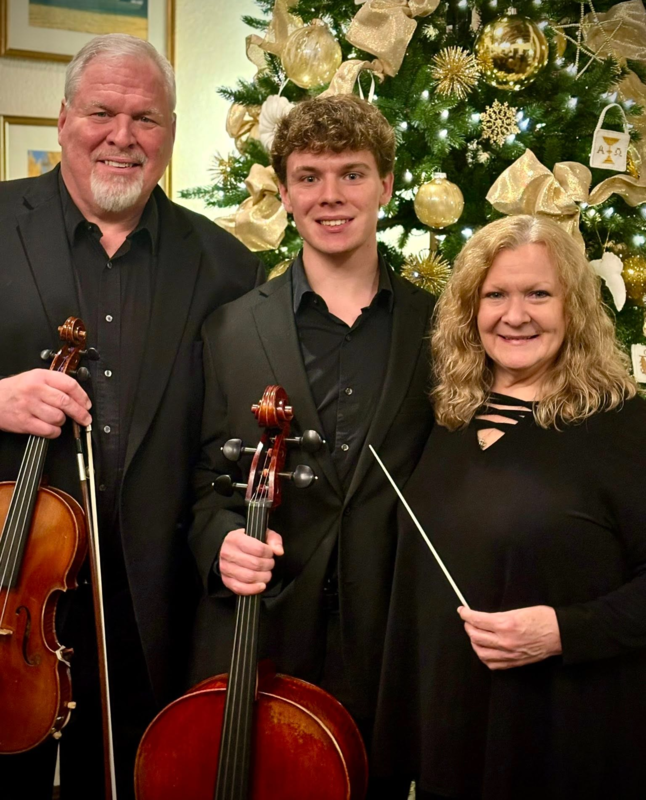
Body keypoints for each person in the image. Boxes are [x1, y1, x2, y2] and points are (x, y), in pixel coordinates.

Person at [0, 33, 263, 800]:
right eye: (101, 113)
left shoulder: (227, 267)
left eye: (145, 118)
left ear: (170, 134)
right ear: (63, 120)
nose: (123, 136)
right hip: (11, 594)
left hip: (151, 610)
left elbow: (226, 448)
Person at [188, 95, 434, 798]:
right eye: (309, 176)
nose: (331, 196)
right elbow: (203, 481)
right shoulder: (230, 329)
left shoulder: (439, 326)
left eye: (352, 174)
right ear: (285, 190)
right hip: (265, 636)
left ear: (386, 185)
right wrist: (220, 541)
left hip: (388, 643)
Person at [371, 214, 646, 799]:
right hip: (453, 739)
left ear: (574, 307)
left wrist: (564, 631)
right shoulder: (445, 416)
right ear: (471, 308)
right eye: (495, 295)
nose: (514, 315)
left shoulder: (626, 426)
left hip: (566, 744)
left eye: (538, 294)